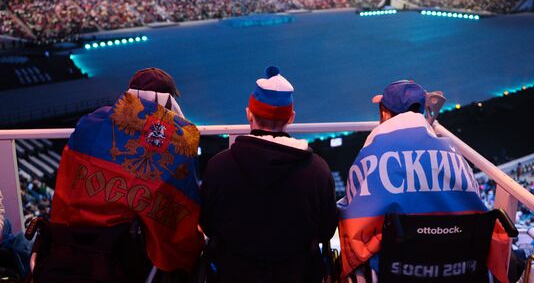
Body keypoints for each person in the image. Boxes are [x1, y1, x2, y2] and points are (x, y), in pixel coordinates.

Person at [36, 68, 204, 282]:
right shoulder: (177, 139)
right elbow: (177, 219)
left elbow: (67, 178)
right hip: (122, 257)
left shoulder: (92, 122)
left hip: (68, 244)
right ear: (170, 100)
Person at [338, 80, 511, 282]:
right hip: (458, 268)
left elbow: (353, 220)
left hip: (397, 271)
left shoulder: (369, 156)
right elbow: (475, 207)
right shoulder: (454, 154)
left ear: (384, 114)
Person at [200, 66, 338, 283]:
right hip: (297, 274)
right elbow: (326, 231)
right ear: (291, 118)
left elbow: (208, 224)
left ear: (249, 113)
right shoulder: (317, 170)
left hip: (232, 274)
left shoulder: (218, 166)